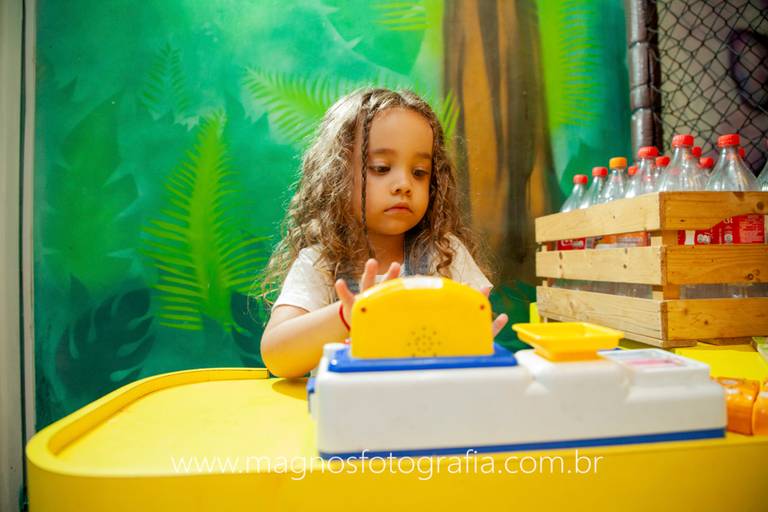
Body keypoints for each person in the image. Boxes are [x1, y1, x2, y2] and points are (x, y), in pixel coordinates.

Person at [259, 88, 508, 377]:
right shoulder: (321, 262)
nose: (404, 184)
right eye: (381, 168)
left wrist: (471, 342)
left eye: (419, 172)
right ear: (338, 175)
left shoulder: (444, 254)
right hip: (349, 404)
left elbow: (470, 336)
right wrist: (348, 315)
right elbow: (277, 357)